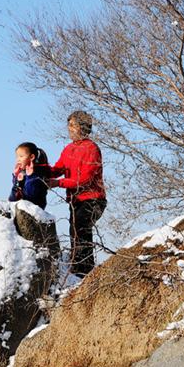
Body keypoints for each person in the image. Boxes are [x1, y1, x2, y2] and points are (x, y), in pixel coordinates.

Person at [48, 111, 106, 277]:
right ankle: (79, 268)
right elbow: (57, 169)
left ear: (83, 126)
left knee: (81, 230)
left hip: (93, 199)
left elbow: (85, 179)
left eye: (73, 125)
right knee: (75, 231)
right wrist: (39, 168)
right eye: (69, 125)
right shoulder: (69, 149)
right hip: (76, 200)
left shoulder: (92, 148)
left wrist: (58, 183)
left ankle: (83, 271)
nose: (69, 128)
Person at [9, 142, 50, 208]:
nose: (18, 159)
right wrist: (16, 177)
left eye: (21, 156)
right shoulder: (22, 172)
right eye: (17, 157)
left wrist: (30, 176)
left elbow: (30, 195)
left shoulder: (38, 172)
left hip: (34, 208)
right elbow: (14, 195)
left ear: (31, 157)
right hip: (20, 207)